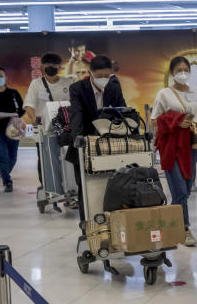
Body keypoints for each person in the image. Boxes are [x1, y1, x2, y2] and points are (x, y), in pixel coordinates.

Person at [152, 56, 197, 247]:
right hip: (170, 145)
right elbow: (155, 119)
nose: (182, 73)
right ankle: (184, 229)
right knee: (179, 190)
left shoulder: (196, 92)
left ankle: (171, 223)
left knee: (187, 186)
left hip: (190, 144)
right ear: (172, 73)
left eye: (186, 69)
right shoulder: (164, 94)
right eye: (178, 70)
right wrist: (175, 121)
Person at [67, 55, 126, 225]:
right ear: (90, 73)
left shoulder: (114, 88)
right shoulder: (77, 88)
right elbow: (76, 115)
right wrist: (78, 139)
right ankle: (87, 226)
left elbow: (122, 111)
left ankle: (112, 225)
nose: (103, 80)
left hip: (109, 146)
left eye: (106, 76)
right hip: (84, 143)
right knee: (85, 188)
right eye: (99, 76)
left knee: (111, 186)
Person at [23, 53, 71, 186]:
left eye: (54, 65)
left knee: (66, 158)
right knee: (46, 158)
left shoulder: (67, 83)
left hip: (64, 128)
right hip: (44, 129)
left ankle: (67, 186)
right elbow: (29, 104)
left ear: (59, 66)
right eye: (48, 65)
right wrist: (33, 118)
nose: (51, 68)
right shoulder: (36, 84)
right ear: (43, 66)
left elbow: (74, 104)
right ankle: (47, 186)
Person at [0, 67, 24, 193]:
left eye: (0, 76)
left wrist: (17, 115)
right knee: (2, 156)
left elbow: (22, 110)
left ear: (5, 78)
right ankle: (7, 181)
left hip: (13, 129)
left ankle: (4, 173)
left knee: (12, 157)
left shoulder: (13, 93)